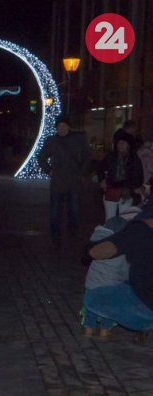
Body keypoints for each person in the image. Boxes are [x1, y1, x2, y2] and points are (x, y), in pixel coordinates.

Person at [84, 204, 153, 340]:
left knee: (93, 301)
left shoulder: (105, 241)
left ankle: (89, 329)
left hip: (95, 284)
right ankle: (105, 331)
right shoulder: (132, 241)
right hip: (116, 283)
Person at [38, 114, 90, 246]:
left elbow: (87, 157)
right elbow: (41, 157)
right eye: (59, 126)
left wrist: (81, 173)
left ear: (69, 127)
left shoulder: (78, 140)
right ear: (56, 127)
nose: (62, 128)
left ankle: (72, 234)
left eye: (64, 125)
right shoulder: (52, 141)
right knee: (55, 212)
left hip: (73, 181)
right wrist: (49, 170)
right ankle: (55, 236)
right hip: (58, 182)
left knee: (74, 211)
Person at [97, 135, 143, 220]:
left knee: (124, 220)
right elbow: (100, 168)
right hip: (110, 191)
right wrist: (102, 179)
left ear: (128, 145)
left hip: (126, 193)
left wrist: (130, 186)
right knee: (110, 219)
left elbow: (138, 177)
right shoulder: (110, 156)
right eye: (119, 142)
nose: (120, 145)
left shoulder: (134, 159)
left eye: (123, 142)